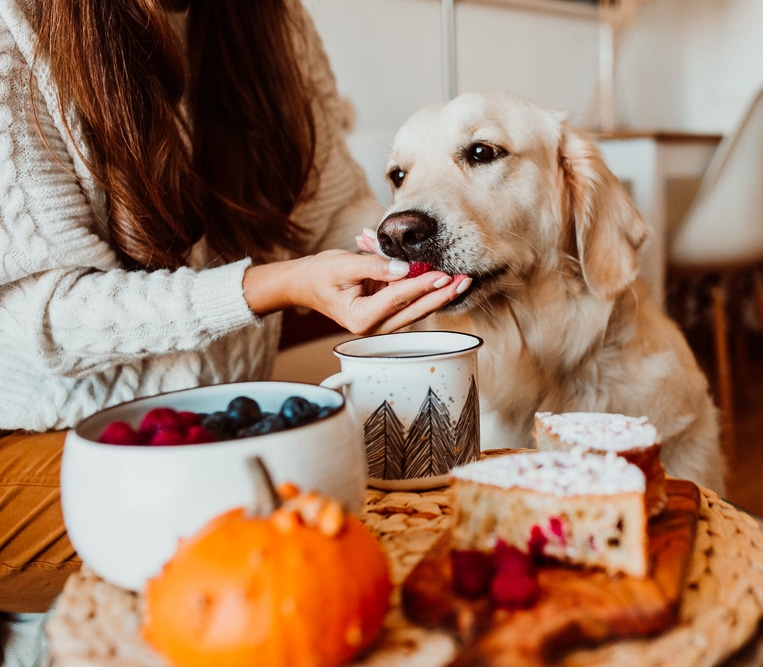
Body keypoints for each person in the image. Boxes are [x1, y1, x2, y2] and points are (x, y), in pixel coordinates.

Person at [0, 0, 469, 614]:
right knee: (303, 534)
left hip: (226, 425)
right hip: (43, 442)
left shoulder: (272, 18)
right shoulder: (17, 26)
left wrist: (421, 240)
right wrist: (267, 287)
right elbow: (49, 319)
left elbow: (335, 212)